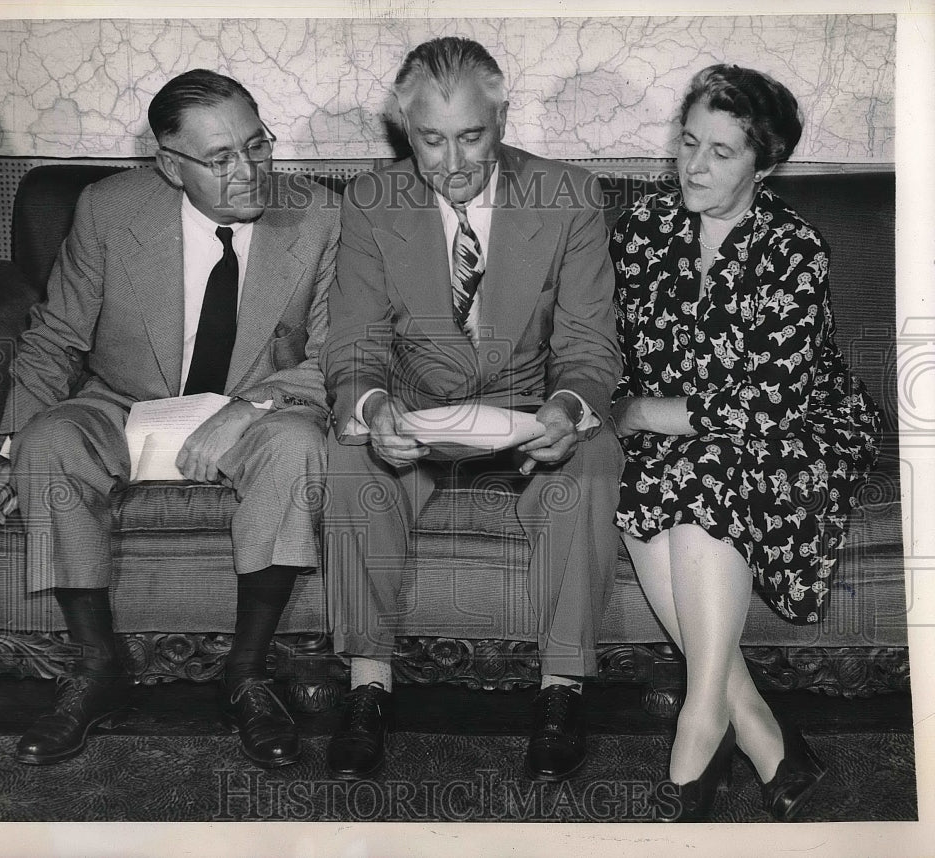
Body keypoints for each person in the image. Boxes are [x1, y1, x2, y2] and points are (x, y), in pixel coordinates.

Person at [0, 69, 339, 769]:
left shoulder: (320, 216)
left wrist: (246, 409)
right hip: (126, 399)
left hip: (254, 406)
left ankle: (248, 673)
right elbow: (55, 337)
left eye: (257, 144)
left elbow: (337, 355)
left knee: (296, 445)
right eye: (222, 158)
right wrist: (5, 451)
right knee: (49, 441)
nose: (250, 170)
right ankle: (97, 669)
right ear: (171, 167)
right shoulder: (110, 209)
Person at [320, 36, 624, 782]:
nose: (452, 164)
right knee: (347, 452)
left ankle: (561, 690)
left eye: (472, 137)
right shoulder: (368, 203)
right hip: (418, 410)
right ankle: (368, 687)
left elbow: (589, 346)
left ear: (503, 118)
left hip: (529, 403)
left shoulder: (571, 197)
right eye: (430, 140)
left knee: (590, 456)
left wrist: (566, 406)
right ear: (404, 129)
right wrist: (373, 405)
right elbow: (354, 344)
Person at [609, 64, 879, 821]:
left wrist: (639, 414)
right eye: (688, 142)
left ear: (765, 162)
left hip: (800, 430)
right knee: (654, 475)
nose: (694, 165)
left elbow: (768, 403)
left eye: (721, 152)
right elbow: (617, 356)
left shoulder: (796, 248)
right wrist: (628, 409)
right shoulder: (638, 232)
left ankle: (699, 724)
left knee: (705, 464)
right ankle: (754, 722)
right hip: (683, 429)